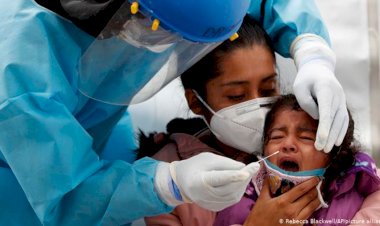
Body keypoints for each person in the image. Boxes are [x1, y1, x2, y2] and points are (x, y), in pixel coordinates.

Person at [0, 0, 348, 226]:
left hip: (105, 125)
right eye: (236, 94)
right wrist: (167, 183)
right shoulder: (23, 81)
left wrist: (312, 50)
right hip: (24, 178)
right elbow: (70, 198)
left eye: (269, 88)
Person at [214, 94, 380, 226]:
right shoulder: (234, 200)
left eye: (306, 137)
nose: (287, 144)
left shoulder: (365, 195)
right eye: (277, 136)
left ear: (335, 156)